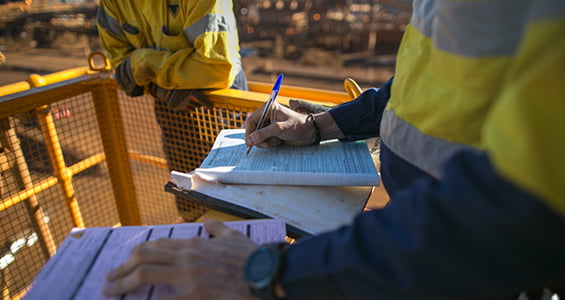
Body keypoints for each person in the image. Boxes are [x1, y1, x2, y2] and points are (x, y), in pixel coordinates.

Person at [102, 0, 565, 299]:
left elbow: (519, 217)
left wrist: (272, 271)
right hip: (419, 238)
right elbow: (420, 85)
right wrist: (319, 125)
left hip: (470, 269)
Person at [96, 0, 248, 221]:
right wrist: (163, 87)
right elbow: (121, 66)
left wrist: (143, 64)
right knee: (187, 196)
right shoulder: (113, 3)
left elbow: (217, 67)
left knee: (236, 198)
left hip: (220, 104)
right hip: (169, 107)